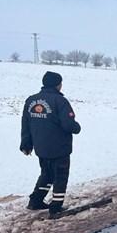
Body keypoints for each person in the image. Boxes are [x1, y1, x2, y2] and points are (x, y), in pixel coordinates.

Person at [20, 71, 81, 218]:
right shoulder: (60, 101)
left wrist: (26, 144)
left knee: (46, 174)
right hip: (59, 148)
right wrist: (76, 127)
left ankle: (35, 200)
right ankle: (56, 207)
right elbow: (68, 125)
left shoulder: (31, 101)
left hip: (41, 147)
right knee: (60, 176)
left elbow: (25, 124)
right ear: (57, 84)